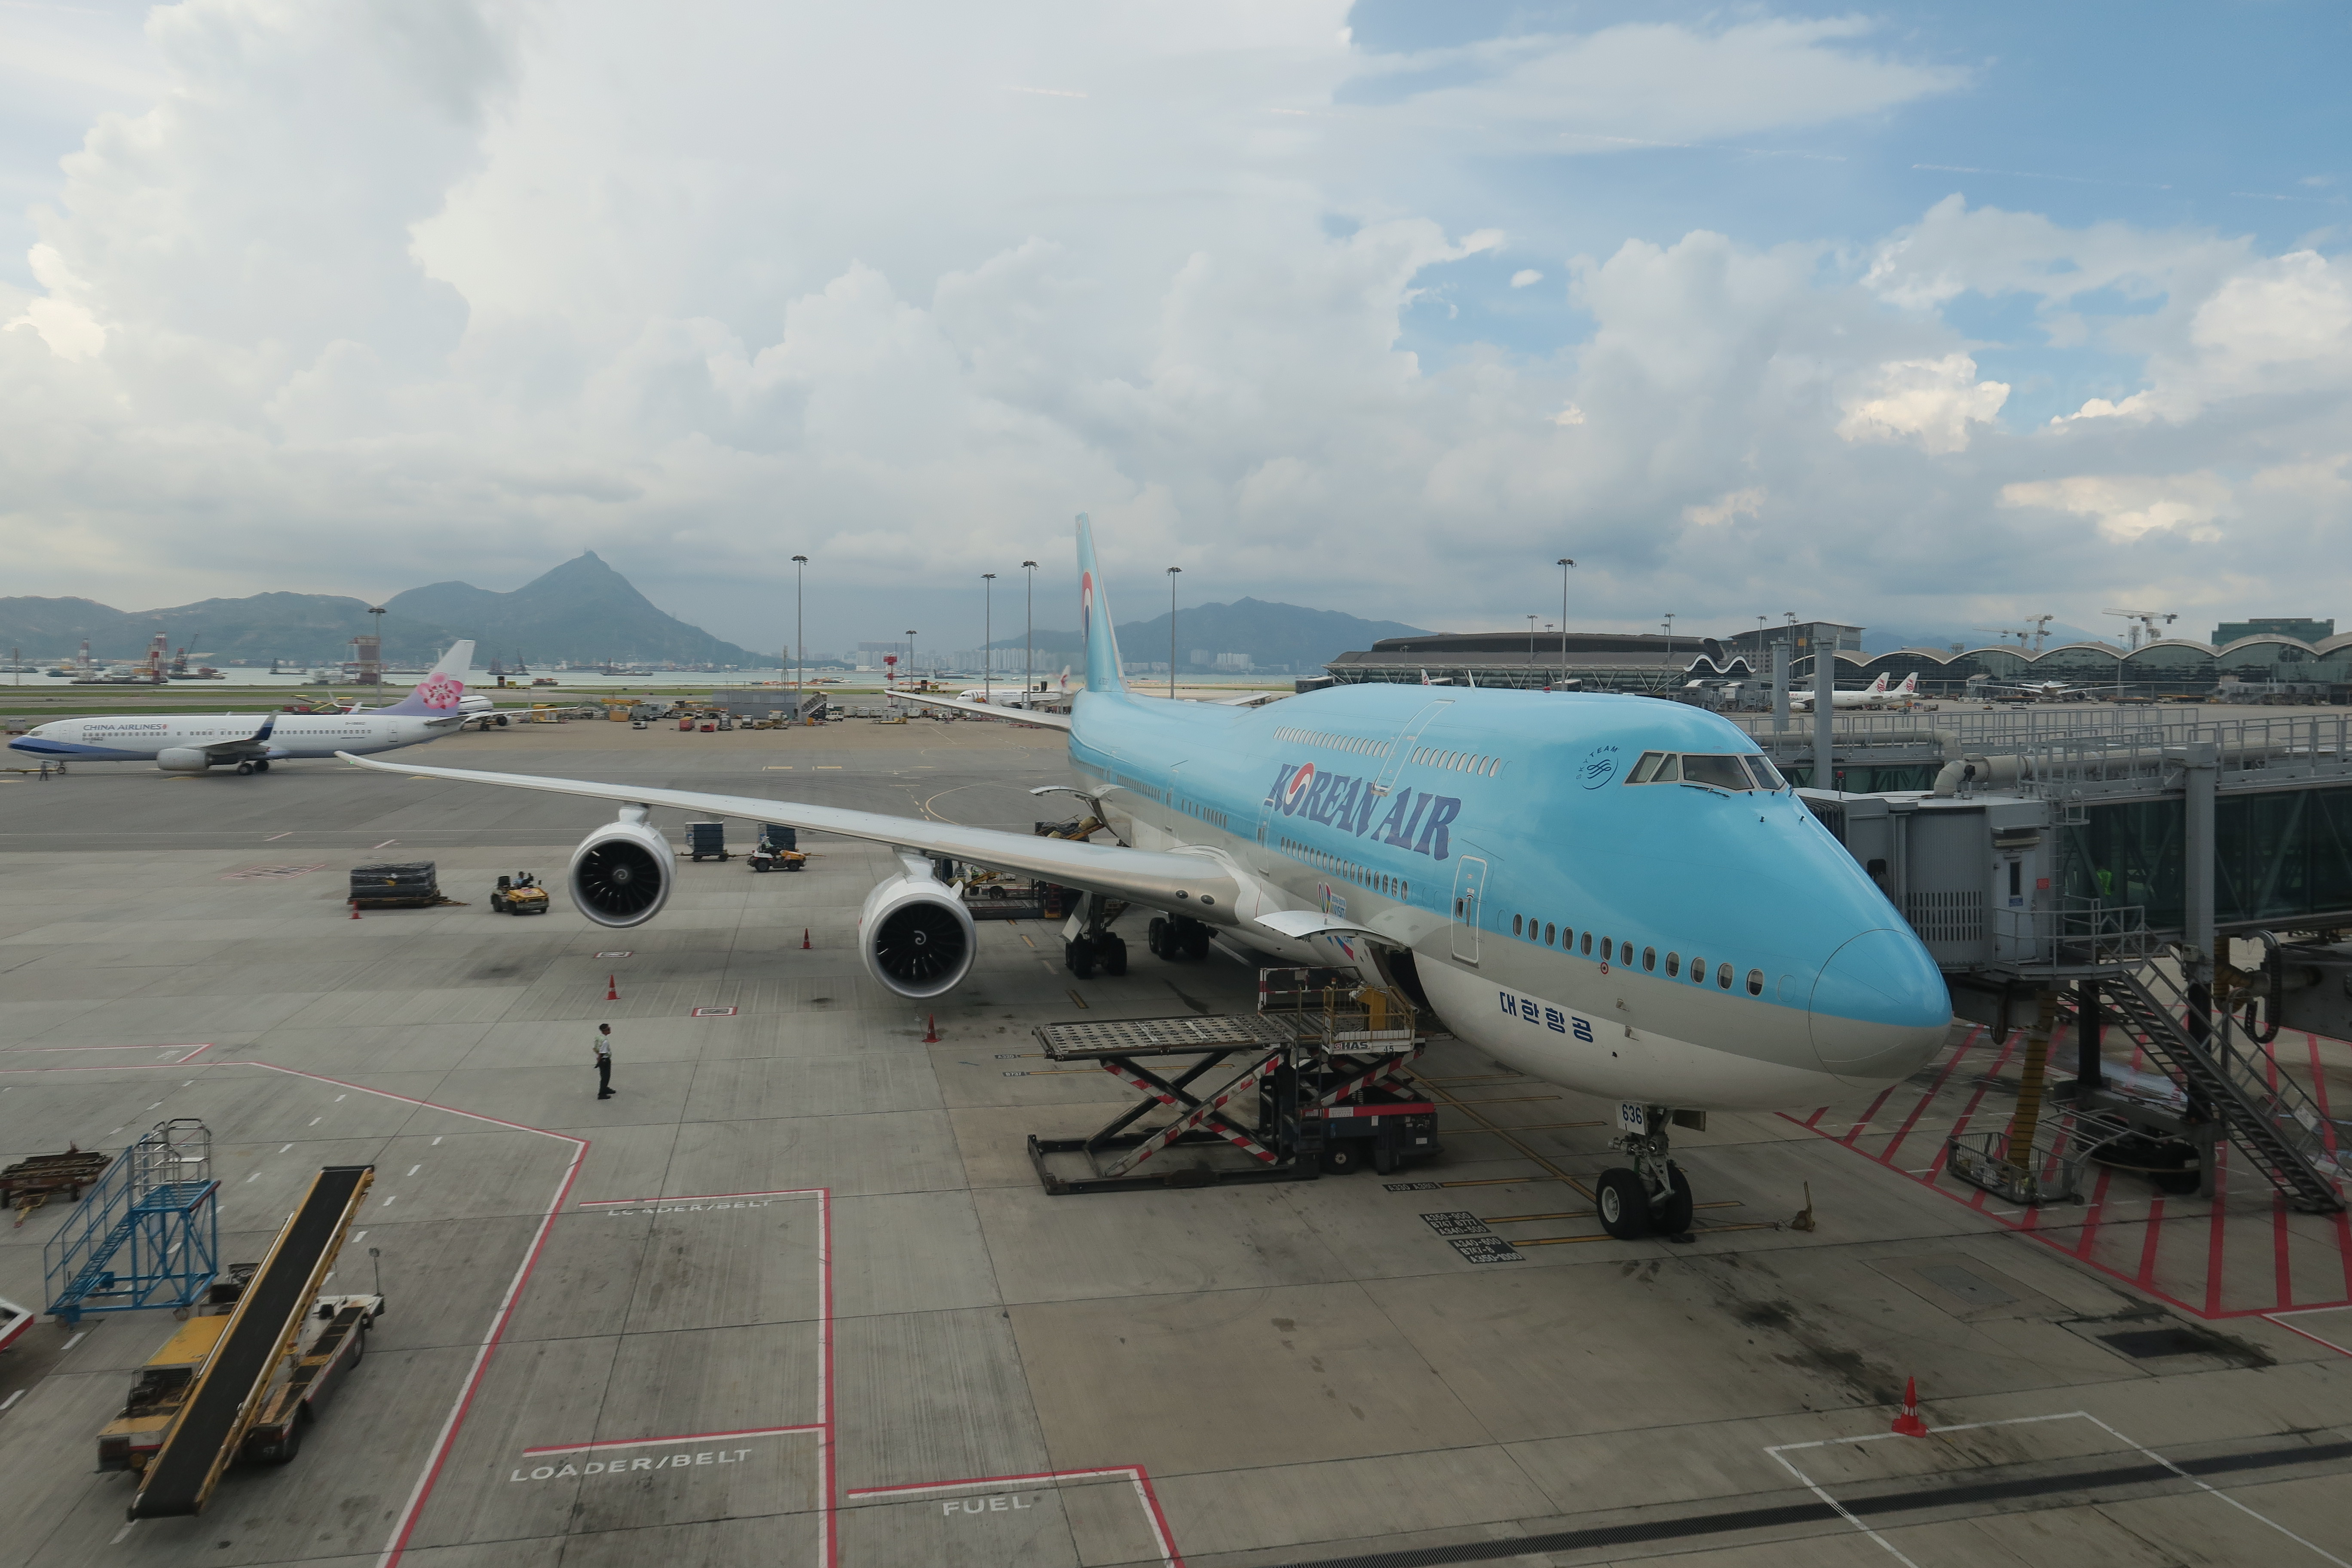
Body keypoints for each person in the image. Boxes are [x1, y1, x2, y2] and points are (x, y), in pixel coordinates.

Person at [594, 1024, 614, 1099]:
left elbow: (595, 1048)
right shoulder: (605, 1041)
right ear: (605, 1031)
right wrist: (600, 1061)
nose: (610, 1030)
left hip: (601, 1060)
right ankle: (602, 1094)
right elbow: (602, 1053)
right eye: (609, 1029)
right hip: (605, 1060)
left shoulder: (599, 1038)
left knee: (604, 1076)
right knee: (606, 1077)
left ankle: (605, 1088)